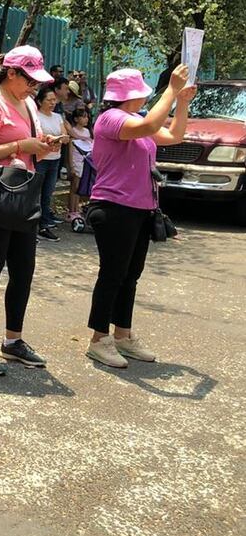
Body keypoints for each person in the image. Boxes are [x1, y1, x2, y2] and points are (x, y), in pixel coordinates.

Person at [85, 66, 195, 368]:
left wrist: (182, 102)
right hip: (113, 207)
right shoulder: (110, 119)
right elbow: (148, 127)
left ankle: (123, 334)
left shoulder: (135, 119)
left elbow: (174, 135)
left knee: (130, 276)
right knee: (112, 274)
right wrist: (171, 91)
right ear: (131, 94)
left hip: (139, 209)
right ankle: (99, 339)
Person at [0, 46, 61, 376]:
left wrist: (43, 144)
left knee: (23, 270)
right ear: (12, 73)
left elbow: (28, 148)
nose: (35, 86)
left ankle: (13, 341)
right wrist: (20, 146)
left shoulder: (29, 103)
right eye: (30, 79)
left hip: (21, 198)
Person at [34, 85, 69, 241]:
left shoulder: (57, 117)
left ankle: (44, 225)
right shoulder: (35, 116)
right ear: (40, 101)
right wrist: (49, 138)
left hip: (55, 159)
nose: (52, 103)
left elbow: (65, 135)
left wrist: (61, 138)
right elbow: (35, 136)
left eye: (54, 100)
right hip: (40, 159)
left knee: (47, 194)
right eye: (49, 100)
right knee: (35, 193)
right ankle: (33, 226)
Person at [64, 107, 93, 219]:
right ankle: (71, 210)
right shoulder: (73, 131)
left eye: (87, 117)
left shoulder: (87, 131)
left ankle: (76, 209)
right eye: (83, 117)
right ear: (76, 119)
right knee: (74, 187)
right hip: (76, 161)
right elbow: (70, 150)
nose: (86, 119)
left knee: (79, 187)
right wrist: (70, 165)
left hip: (85, 162)